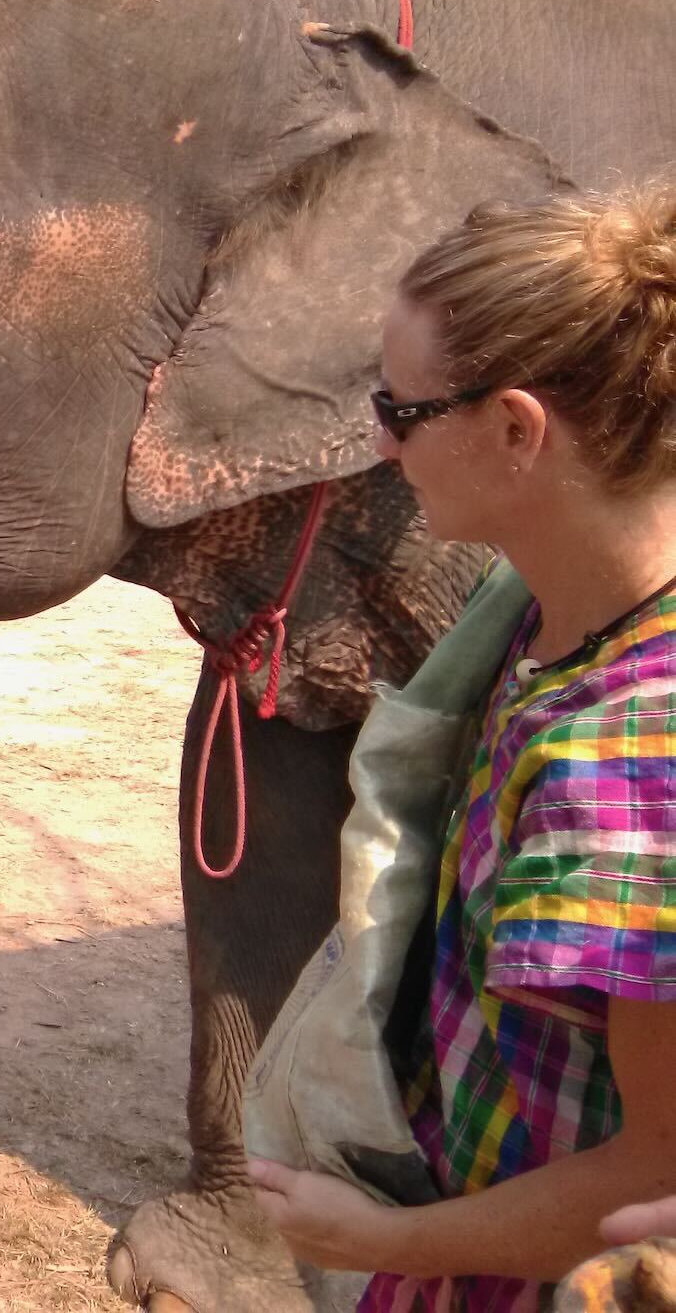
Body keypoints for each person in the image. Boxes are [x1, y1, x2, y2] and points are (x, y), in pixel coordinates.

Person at [246, 188, 676, 1309]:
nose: (379, 441)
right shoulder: (550, 612)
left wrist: (387, 1238)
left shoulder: (628, 762)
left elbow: (660, 1173)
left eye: (402, 408)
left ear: (517, 429)